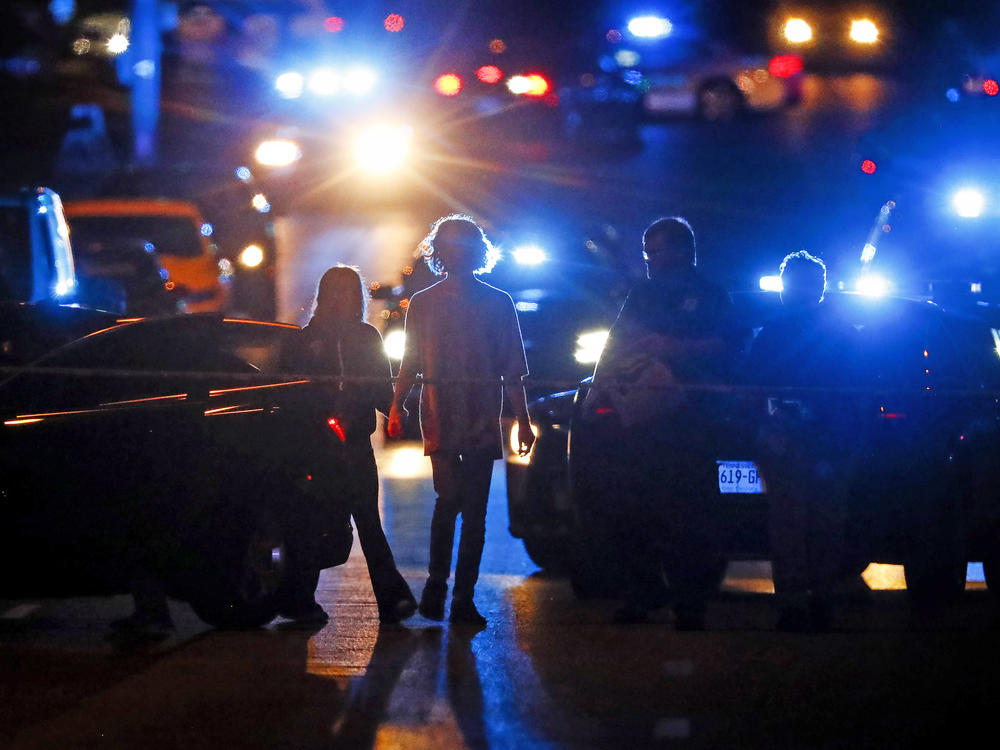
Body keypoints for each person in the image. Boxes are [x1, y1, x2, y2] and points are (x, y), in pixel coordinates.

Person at [591, 216, 740, 627]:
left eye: (655, 251)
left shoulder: (709, 293)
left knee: (687, 515)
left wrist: (674, 348)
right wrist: (598, 388)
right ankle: (644, 591)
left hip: (691, 420)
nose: (650, 260)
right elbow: (615, 342)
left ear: (681, 250)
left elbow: (728, 346)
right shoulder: (641, 294)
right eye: (647, 252)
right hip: (641, 421)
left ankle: (690, 604)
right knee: (630, 510)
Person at [387, 215, 534, 628]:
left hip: (480, 415)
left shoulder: (498, 302)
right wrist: (397, 404)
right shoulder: (425, 303)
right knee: (452, 501)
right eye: (451, 247)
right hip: (442, 414)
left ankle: (459, 596)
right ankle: (440, 588)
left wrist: (522, 419)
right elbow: (410, 362)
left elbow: (511, 369)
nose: (457, 254)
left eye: (463, 247)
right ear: (441, 253)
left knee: (471, 510)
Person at [282, 265, 417, 626]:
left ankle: (388, 600)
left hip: (346, 445)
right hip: (322, 445)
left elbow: (378, 388)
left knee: (359, 522)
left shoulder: (359, 337)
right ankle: (307, 600)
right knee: (327, 523)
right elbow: (293, 392)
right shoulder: (313, 340)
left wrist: (394, 409)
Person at [747, 250, 860, 632]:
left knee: (791, 522)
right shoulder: (841, 331)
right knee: (823, 521)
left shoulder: (774, 332)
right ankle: (818, 599)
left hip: (798, 435)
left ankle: (797, 602)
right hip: (826, 438)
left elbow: (752, 382)